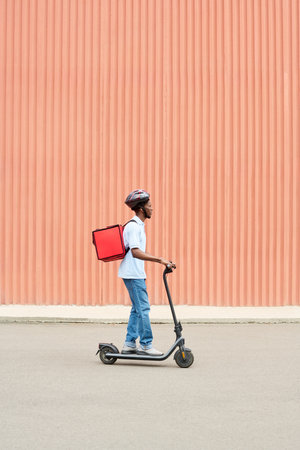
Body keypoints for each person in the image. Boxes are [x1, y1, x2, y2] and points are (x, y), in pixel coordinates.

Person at [118, 189, 176, 356]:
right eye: (150, 206)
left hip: (134, 273)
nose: (152, 209)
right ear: (142, 209)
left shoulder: (138, 226)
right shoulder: (133, 227)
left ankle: (129, 343)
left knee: (137, 309)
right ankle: (146, 344)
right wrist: (160, 260)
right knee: (143, 308)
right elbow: (135, 252)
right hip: (133, 274)